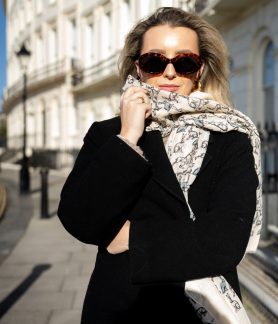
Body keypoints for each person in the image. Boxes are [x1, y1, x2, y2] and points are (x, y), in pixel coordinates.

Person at [57, 6, 262, 324]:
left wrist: (132, 238)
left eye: (184, 62)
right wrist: (128, 139)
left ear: (200, 69)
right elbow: (80, 218)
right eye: (155, 61)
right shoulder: (108, 134)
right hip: (122, 308)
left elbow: (227, 239)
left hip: (199, 310)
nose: (169, 73)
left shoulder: (231, 135)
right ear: (138, 68)